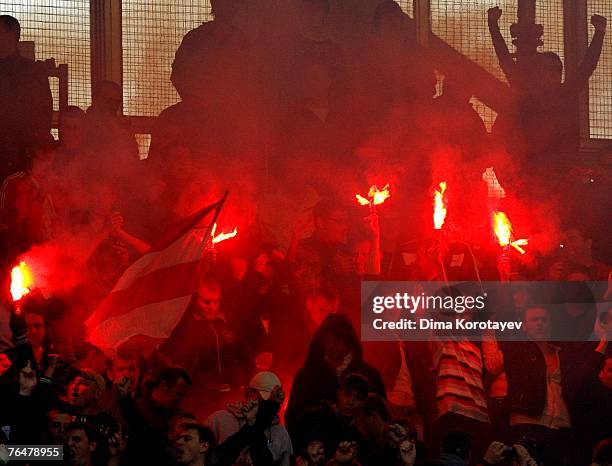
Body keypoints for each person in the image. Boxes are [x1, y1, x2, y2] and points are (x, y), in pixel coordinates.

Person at [488, 7, 607, 182]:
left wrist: (600, 32)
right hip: (527, 172)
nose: (553, 73)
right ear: (537, 71)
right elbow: (505, 59)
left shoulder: (565, 93)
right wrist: (493, 26)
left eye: (557, 69)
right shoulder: (525, 91)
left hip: (558, 174)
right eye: (548, 69)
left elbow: (587, 67)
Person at [501, 306, 609, 466]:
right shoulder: (516, 349)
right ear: (523, 325)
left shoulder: (562, 353)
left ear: (551, 325)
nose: (540, 323)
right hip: (528, 421)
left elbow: (583, 375)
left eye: (544, 320)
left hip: (561, 425)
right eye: (534, 319)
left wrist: (604, 340)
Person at [160, 277, 255, 414]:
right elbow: (175, 361)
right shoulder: (186, 325)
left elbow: (245, 355)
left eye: (216, 301)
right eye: (206, 302)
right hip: (199, 397)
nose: (211, 307)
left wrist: (254, 384)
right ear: (196, 299)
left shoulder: (228, 322)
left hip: (230, 393)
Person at [285, 313, 386, 430]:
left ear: (349, 341)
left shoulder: (371, 376)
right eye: (327, 340)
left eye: (337, 340)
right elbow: (293, 420)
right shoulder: (306, 377)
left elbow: (382, 421)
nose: (331, 346)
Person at [0, 15, 53, 182]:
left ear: (10, 34)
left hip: (19, 154)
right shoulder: (32, 71)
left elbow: (43, 113)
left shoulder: (31, 72)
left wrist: (35, 150)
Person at [205, 371, 293, 466]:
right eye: (265, 399)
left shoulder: (280, 432)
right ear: (250, 392)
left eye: (273, 402)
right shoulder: (219, 420)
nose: (268, 405)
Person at [290, 373, 369, 460]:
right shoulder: (311, 418)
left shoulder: (360, 436)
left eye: (357, 397)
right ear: (338, 393)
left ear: (363, 402)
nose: (350, 402)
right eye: (346, 394)